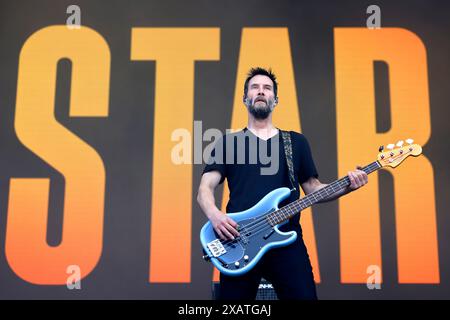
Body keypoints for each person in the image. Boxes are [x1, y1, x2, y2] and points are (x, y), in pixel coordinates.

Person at [197, 67, 368, 300]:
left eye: (267, 88)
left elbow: (314, 189)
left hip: (286, 241)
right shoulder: (228, 143)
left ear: (275, 100)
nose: (260, 91)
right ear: (245, 98)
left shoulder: (295, 142)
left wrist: (348, 185)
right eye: (254, 87)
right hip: (238, 240)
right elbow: (205, 188)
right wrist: (215, 215)